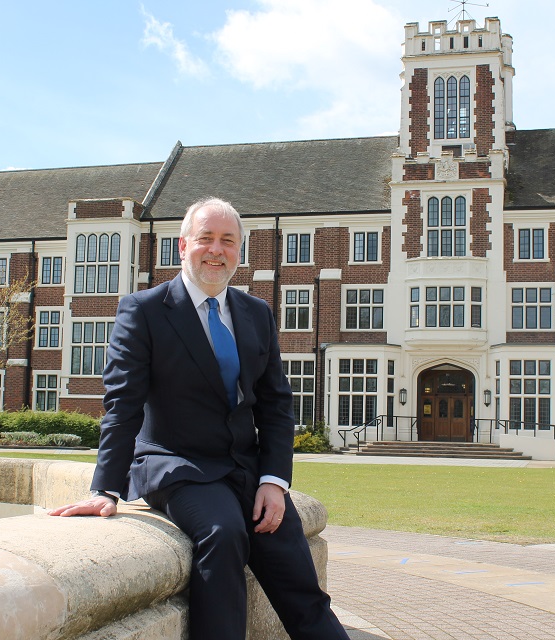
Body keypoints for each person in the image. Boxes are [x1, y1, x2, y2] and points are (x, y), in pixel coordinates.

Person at [49, 197, 349, 640]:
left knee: (290, 557)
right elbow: (123, 405)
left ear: (240, 251)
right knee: (223, 533)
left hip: (244, 470)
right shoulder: (144, 310)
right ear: (183, 244)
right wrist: (105, 488)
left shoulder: (256, 314)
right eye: (206, 238)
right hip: (176, 464)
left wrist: (273, 480)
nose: (216, 249)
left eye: (228, 241)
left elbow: (276, 405)